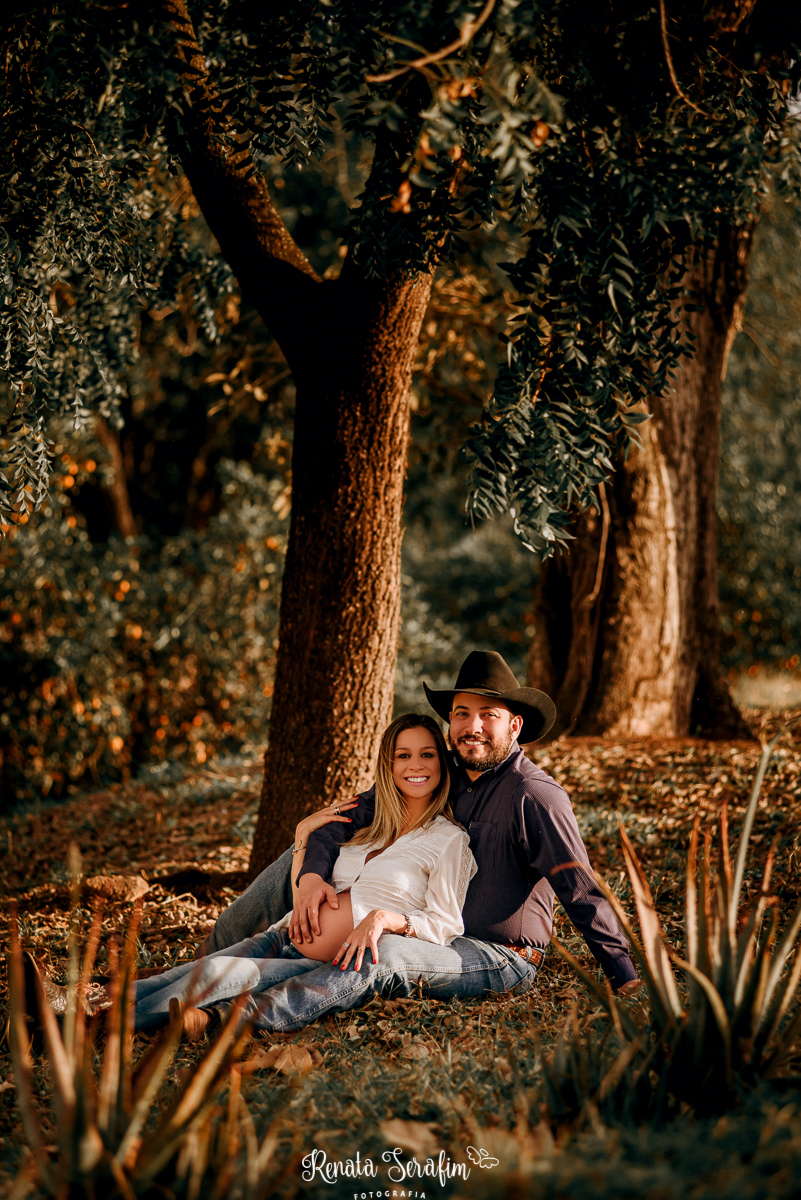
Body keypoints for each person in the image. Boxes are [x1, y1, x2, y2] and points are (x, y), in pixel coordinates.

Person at [189, 651, 639, 1035]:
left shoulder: (534, 796)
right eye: (462, 713)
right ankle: (198, 970)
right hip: (423, 922)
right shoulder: (438, 770)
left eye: (489, 715)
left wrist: (625, 977)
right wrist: (308, 878)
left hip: (491, 952)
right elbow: (342, 819)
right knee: (296, 862)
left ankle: (237, 1017)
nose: (473, 726)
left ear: (515, 725)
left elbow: (580, 890)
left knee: (383, 955)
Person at [131, 714, 477, 1037]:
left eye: (427, 754)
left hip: (317, 963)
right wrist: (302, 836)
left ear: (442, 764)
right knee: (177, 975)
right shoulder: (368, 826)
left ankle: (111, 1027)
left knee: (208, 975)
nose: (415, 765)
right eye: (403, 755)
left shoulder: (449, 839)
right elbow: (304, 892)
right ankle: (88, 1003)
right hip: (280, 937)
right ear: (389, 765)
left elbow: (444, 924)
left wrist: (385, 919)